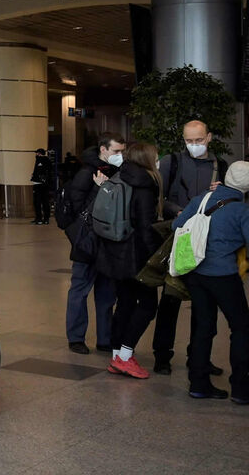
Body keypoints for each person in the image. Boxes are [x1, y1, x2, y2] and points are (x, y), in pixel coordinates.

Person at [154, 119, 229, 375]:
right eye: (189, 141)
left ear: (209, 137)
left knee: (205, 305)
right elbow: (159, 198)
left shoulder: (221, 166)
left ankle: (198, 358)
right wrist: (181, 210)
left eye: (198, 140)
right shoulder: (171, 162)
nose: (194, 145)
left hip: (207, 242)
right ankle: (162, 355)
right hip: (178, 240)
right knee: (171, 299)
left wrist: (223, 194)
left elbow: (229, 204)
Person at [173, 160, 249, 402]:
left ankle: (199, 384)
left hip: (195, 273)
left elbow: (177, 225)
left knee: (203, 327)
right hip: (224, 275)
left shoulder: (201, 199)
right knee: (241, 328)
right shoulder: (241, 210)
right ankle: (240, 388)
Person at [95, 142, 161, 379]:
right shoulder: (145, 184)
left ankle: (116, 355)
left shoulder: (121, 176)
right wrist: (155, 257)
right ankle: (125, 356)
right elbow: (145, 227)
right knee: (147, 305)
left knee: (124, 303)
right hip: (136, 255)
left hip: (116, 251)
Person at [62, 134, 123, 355]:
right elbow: (78, 209)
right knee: (79, 290)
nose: (120, 156)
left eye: (121, 152)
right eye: (116, 152)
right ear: (103, 150)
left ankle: (105, 339)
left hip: (108, 243)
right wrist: (100, 188)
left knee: (107, 293)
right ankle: (76, 337)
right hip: (87, 242)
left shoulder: (116, 172)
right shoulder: (86, 173)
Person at [31, 148, 54, 225]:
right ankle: (46, 219)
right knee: (45, 201)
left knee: (37, 202)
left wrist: (34, 176)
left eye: (37, 153)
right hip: (45, 184)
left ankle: (39, 218)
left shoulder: (40, 160)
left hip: (38, 184)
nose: (36, 155)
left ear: (39, 153)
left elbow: (39, 171)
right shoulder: (48, 160)